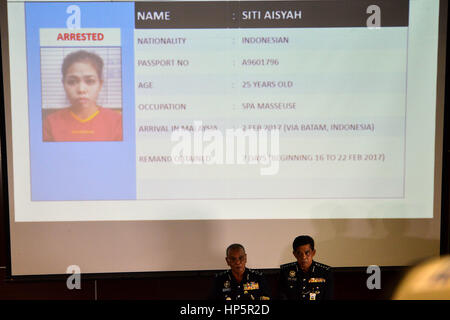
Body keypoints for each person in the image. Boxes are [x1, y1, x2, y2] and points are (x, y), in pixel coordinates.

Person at [43, 50, 122, 142]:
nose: (81, 89)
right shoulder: (51, 123)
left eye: (90, 81)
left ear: (100, 84)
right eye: (72, 82)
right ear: (63, 84)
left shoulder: (117, 122)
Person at [279, 235, 333, 300]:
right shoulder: (285, 271)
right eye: (299, 253)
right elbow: (281, 296)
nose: (303, 257)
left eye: (307, 253)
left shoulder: (325, 272)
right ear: (294, 254)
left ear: (313, 252)